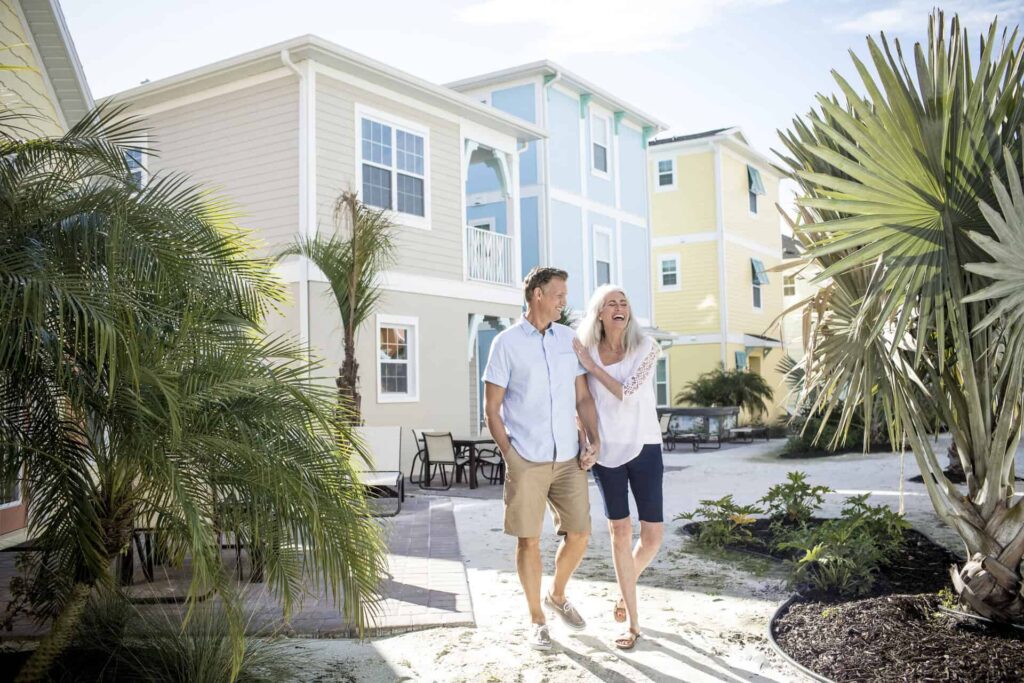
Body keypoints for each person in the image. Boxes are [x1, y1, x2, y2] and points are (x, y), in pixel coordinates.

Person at [482, 266, 601, 651]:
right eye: (558, 295)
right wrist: (510, 455)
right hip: (527, 458)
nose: (564, 302)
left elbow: (582, 396)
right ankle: (537, 618)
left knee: (580, 533)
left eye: (565, 296)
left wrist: (593, 438)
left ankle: (558, 592)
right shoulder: (505, 343)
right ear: (537, 294)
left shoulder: (569, 340)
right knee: (528, 541)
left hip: (568, 456)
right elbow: (492, 409)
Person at [572, 284, 664, 651]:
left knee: (653, 537)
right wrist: (586, 443)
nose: (619, 307)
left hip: (644, 446)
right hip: (606, 454)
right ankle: (634, 625)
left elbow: (626, 391)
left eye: (624, 302)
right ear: (599, 313)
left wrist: (591, 364)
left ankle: (625, 587)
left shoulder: (646, 347)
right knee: (620, 534)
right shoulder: (584, 351)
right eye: (611, 303)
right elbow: (580, 404)